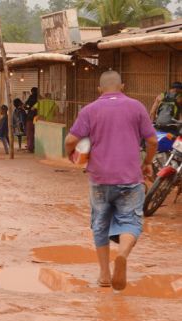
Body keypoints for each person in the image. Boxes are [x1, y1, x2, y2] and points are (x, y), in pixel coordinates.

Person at [64, 71, 158, 291]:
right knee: (131, 222)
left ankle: (105, 275)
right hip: (130, 178)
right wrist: (148, 162)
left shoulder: (89, 110)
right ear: (122, 86)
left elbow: (71, 139)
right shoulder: (136, 107)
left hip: (99, 179)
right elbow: (152, 140)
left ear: (99, 89)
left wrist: (72, 155)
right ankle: (122, 255)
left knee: (100, 224)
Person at [25, 87, 38, 153]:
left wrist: (28, 107)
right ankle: (36, 147)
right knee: (37, 134)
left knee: (30, 133)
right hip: (39, 118)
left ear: (32, 91)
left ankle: (30, 148)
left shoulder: (31, 97)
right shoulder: (40, 98)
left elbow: (26, 106)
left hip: (31, 118)